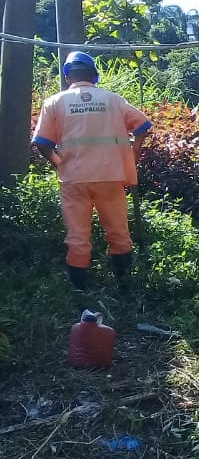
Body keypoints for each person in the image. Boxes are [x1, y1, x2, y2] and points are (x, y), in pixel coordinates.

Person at [31, 51, 152, 291]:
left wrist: (58, 162)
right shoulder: (112, 100)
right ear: (94, 75)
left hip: (74, 179)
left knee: (77, 237)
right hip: (111, 176)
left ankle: (79, 291)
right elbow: (143, 125)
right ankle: (125, 287)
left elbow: (42, 142)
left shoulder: (54, 102)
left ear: (67, 77)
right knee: (118, 232)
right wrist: (133, 152)